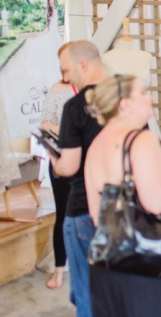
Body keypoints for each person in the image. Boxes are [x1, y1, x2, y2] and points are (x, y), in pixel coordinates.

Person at [84, 75, 161, 317]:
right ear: (125, 103)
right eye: (143, 92)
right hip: (147, 268)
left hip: (108, 268)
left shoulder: (95, 145)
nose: (150, 97)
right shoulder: (142, 140)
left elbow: (98, 218)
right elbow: (156, 202)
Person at [48, 41, 107, 317]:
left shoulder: (75, 106)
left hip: (84, 208)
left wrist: (52, 156)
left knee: (87, 295)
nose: (66, 77)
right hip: (124, 208)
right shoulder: (130, 97)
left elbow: (69, 167)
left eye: (67, 70)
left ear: (83, 65)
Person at [39, 43, 76, 290]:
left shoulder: (94, 90)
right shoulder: (58, 89)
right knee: (62, 213)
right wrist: (66, 132)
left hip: (88, 161)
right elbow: (45, 124)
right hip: (61, 158)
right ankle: (59, 271)